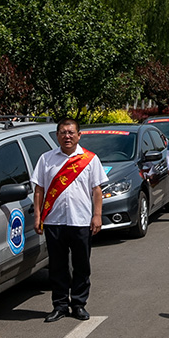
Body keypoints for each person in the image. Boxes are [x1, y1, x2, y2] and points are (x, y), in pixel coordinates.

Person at [33, 118, 107, 322]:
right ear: (57, 135)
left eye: (71, 132)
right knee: (57, 266)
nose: (67, 136)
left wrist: (97, 215)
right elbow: (39, 189)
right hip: (53, 221)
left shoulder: (90, 159)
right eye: (63, 132)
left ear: (79, 135)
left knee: (81, 265)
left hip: (81, 220)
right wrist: (38, 215)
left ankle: (79, 304)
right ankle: (60, 305)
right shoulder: (46, 159)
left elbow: (97, 190)